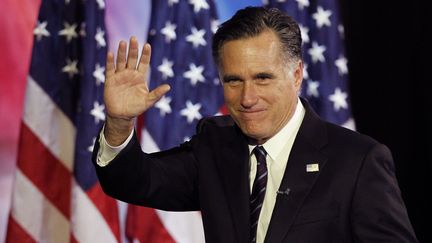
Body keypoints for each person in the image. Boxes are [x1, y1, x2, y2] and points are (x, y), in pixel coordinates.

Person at [92, 6, 418, 243]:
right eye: (234, 80)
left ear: (296, 74)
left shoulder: (358, 161)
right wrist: (119, 123)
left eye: (263, 78)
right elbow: (134, 181)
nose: (247, 97)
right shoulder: (215, 147)